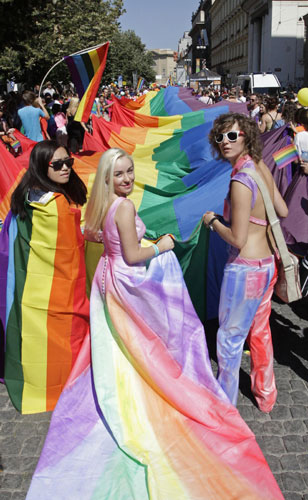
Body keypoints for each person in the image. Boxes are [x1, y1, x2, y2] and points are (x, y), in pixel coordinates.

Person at [25, 147, 283, 500]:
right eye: (120, 174)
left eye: (130, 171)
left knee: (116, 342)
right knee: (141, 342)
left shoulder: (103, 203)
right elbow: (132, 256)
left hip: (107, 279)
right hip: (125, 280)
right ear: (108, 178)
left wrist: (116, 243)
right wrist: (161, 246)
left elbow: (92, 233)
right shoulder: (125, 206)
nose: (127, 178)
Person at [203, 113, 288, 413]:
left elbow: (237, 239)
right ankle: (266, 395)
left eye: (232, 136)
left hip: (245, 270)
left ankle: (224, 407)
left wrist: (213, 220)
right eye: (219, 138)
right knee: (260, 331)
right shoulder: (260, 167)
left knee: (228, 339)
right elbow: (282, 210)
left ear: (246, 136)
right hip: (267, 265)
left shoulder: (240, 180)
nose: (224, 143)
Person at [0, 140, 89, 413]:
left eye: (68, 162)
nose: (65, 169)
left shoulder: (25, 193)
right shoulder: (56, 203)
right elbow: (67, 248)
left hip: (31, 285)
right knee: (67, 333)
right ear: (42, 166)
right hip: (56, 285)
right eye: (58, 165)